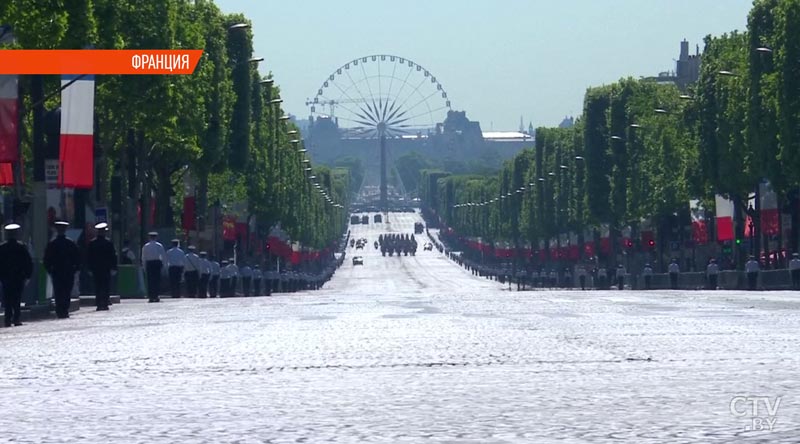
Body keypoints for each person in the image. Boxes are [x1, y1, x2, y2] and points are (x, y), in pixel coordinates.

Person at [43, 220, 80, 318]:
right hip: (68, 272)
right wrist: (75, 269)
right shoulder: (70, 243)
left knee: (58, 291)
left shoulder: (52, 244)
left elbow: (46, 259)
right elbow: (77, 258)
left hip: (57, 272)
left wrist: (50, 270)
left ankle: (60, 309)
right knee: (67, 291)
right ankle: (65, 309)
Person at [0, 224, 33, 327]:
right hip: (18, 277)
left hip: (6, 277)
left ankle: (8, 318)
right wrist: (27, 275)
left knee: (7, 298)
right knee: (17, 298)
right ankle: (16, 318)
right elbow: (28, 262)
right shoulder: (21, 247)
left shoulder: (2, 248)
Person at [87, 222, 118, 311]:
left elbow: (89, 257)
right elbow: (113, 256)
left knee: (97, 285)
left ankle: (98, 303)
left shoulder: (92, 243)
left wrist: (89, 268)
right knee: (106, 285)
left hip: (96, 268)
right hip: (106, 268)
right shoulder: (108, 243)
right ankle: (104, 302)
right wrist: (114, 267)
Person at [141, 232, 166, 303]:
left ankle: (151, 296)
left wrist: (144, 266)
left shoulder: (146, 246)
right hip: (157, 263)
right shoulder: (159, 245)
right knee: (157, 280)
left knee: (150, 280)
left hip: (149, 264)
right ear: (156, 237)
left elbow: (143, 257)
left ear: (149, 237)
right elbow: (163, 256)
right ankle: (156, 295)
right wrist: (164, 265)